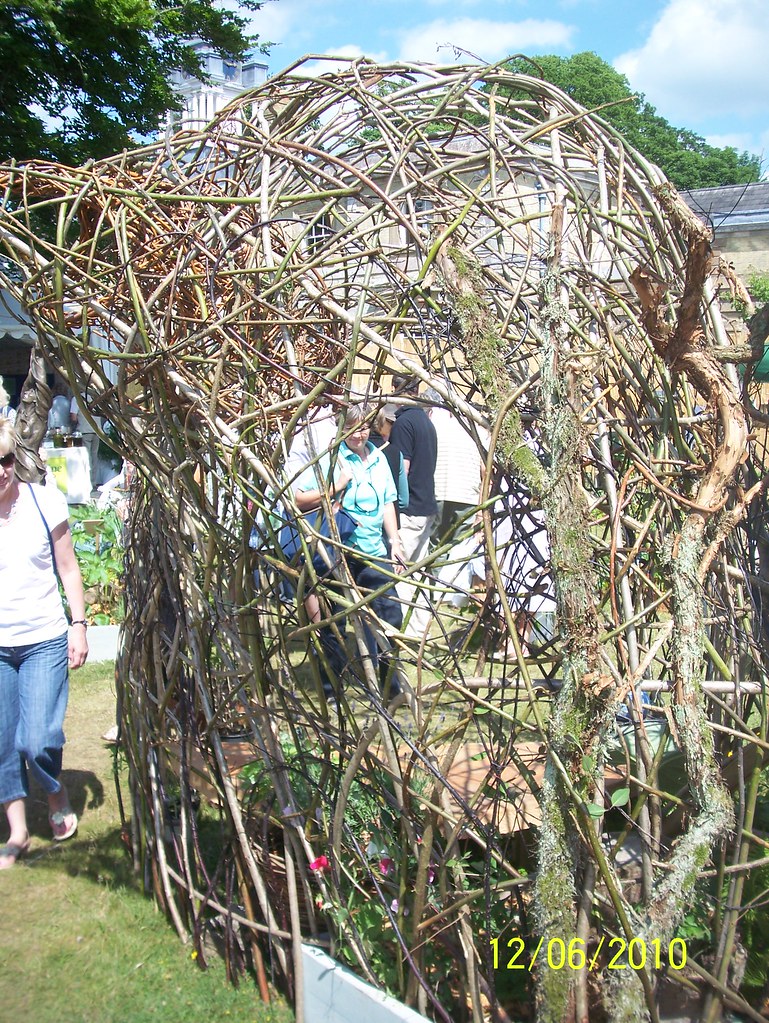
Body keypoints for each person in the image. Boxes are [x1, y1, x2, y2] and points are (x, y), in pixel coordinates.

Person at [0, 417, 89, 869]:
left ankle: (55, 791)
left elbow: (69, 567)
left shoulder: (43, 502)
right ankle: (17, 832)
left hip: (43, 638)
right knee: (1, 742)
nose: (1, 470)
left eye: (6, 459)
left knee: (37, 739)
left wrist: (79, 623)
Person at [294, 403, 405, 698]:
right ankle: (332, 689)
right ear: (342, 430)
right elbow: (298, 499)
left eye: (364, 427)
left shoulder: (379, 458)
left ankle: (389, 687)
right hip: (337, 549)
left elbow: (387, 503)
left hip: (372, 550)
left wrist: (394, 541)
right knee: (333, 621)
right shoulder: (330, 459)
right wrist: (336, 487)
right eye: (351, 428)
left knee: (389, 616)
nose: (359, 434)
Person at [388, 374, 438, 638]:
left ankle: (403, 631)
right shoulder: (427, 422)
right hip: (427, 503)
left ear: (396, 390)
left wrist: (391, 504)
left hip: (409, 508)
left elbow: (401, 469)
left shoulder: (404, 422)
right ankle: (420, 630)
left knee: (402, 570)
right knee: (418, 572)